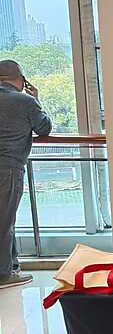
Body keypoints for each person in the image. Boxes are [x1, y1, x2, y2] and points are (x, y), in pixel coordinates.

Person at [0, 60, 52, 288]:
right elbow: (44, 128)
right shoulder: (24, 101)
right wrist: (36, 99)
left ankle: (11, 266)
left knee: (4, 220)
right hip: (8, 167)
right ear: (21, 80)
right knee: (5, 222)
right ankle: (4, 274)